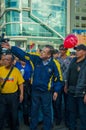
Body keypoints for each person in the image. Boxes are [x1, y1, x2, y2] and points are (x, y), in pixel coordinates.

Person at [2, 43, 63, 130]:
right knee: (34, 111)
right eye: (42, 51)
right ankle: (33, 127)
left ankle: (47, 127)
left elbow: (59, 78)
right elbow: (25, 55)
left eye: (44, 52)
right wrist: (12, 48)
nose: (41, 53)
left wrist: (56, 91)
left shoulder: (55, 63)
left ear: (49, 55)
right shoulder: (36, 59)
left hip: (46, 92)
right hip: (35, 91)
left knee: (47, 112)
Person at [64, 44, 86, 130]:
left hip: (81, 92)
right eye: (76, 50)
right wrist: (66, 84)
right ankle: (72, 127)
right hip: (71, 90)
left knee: (82, 113)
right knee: (71, 111)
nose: (76, 52)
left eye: (78, 50)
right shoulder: (73, 60)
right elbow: (68, 73)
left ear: (84, 52)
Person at [0, 53, 24, 130]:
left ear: (12, 61)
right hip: (2, 96)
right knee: (2, 114)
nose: (5, 61)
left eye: (7, 60)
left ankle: (14, 127)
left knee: (14, 114)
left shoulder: (16, 71)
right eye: (4, 59)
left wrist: (21, 95)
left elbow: (20, 84)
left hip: (13, 96)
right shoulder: (0, 70)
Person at [53, 44, 72, 126]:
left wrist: (67, 83)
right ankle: (58, 118)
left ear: (66, 50)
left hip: (67, 83)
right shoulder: (56, 60)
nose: (62, 51)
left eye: (63, 49)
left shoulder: (70, 60)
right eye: (60, 49)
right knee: (57, 103)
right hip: (58, 83)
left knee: (68, 103)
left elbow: (71, 72)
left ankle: (67, 120)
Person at [15, 60, 32, 126]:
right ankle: (16, 120)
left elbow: (31, 74)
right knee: (17, 103)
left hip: (27, 85)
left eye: (24, 60)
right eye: (21, 59)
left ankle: (26, 119)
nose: (23, 61)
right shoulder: (16, 65)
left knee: (26, 103)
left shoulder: (29, 65)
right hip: (17, 85)